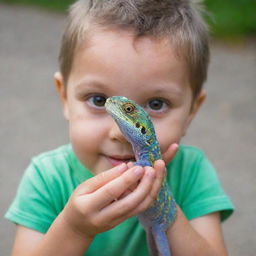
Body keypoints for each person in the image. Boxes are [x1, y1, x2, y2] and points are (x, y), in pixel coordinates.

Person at [5, 0, 234, 255]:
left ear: (192, 110)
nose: (119, 134)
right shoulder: (47, 179)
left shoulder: (191, 173)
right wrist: (74, 228)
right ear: (64, 97)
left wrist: (166, 209)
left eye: (157, 103)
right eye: (98, 100)